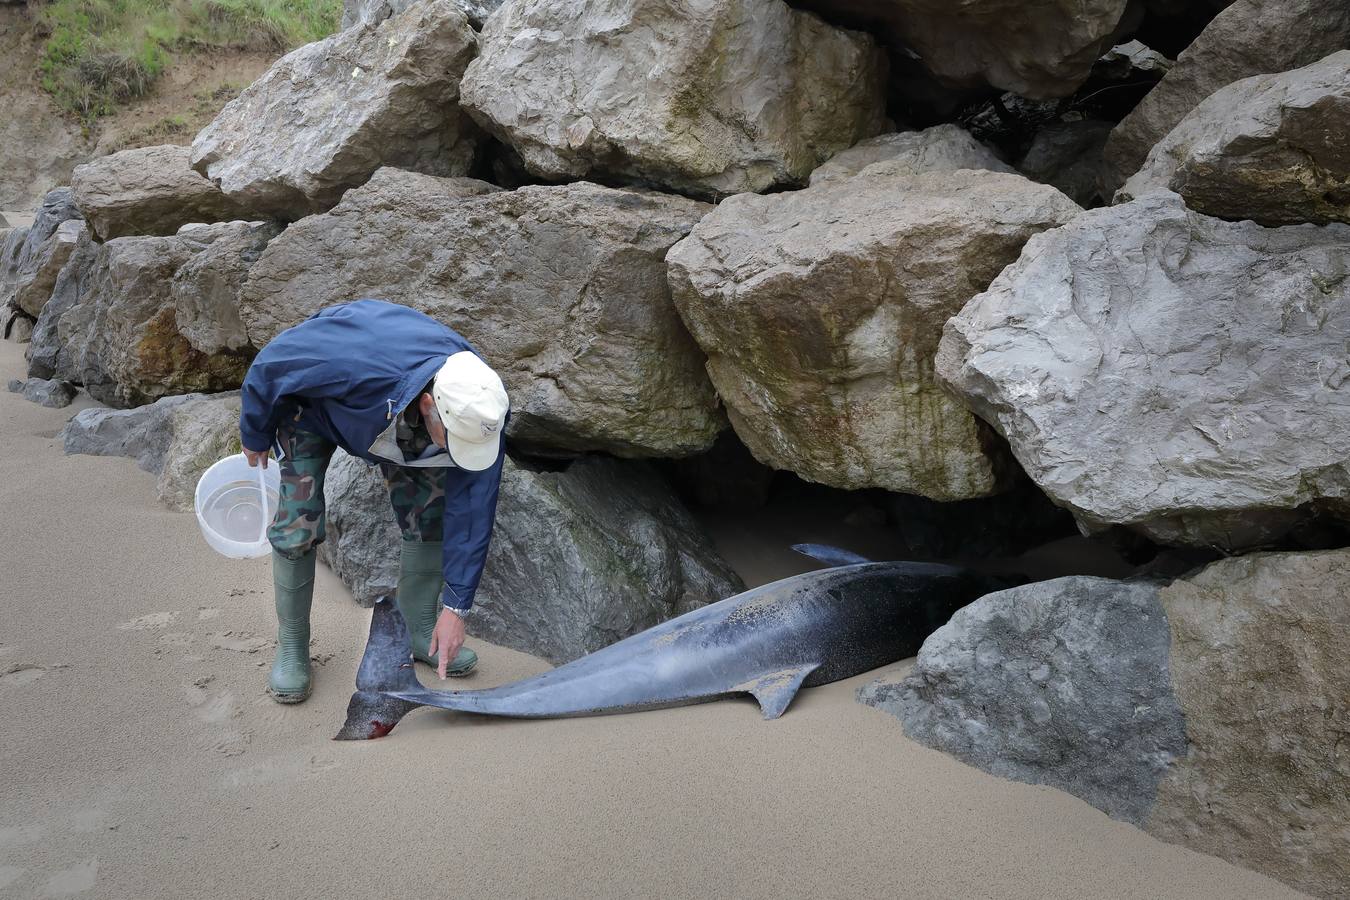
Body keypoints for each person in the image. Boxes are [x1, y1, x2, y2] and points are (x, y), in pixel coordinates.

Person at [237, 299, 509, 703]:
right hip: (310, 410)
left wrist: (457, 609)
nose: (462, 452)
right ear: (431, 407)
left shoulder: (480, 405)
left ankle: (419, 630)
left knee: (431, 510)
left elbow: (474, 508)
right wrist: (254, 432)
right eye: (454, 443)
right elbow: (271, 364)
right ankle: (293, 648)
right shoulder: (350, 357)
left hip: (392, 419)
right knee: (297, 523)